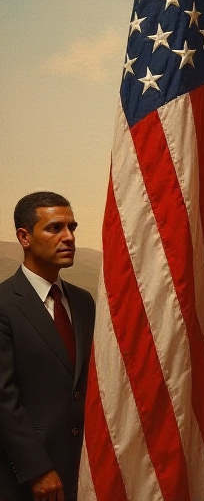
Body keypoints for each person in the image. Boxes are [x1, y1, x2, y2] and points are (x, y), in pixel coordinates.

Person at [0, 192, 95, 501]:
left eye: (72, 227)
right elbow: (3, 397)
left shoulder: (83, 302)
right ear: (24, 237)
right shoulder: (3, 304)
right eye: (55, 228)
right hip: (24, 478)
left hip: (84, 468)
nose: (69, 237)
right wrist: (36, 468)